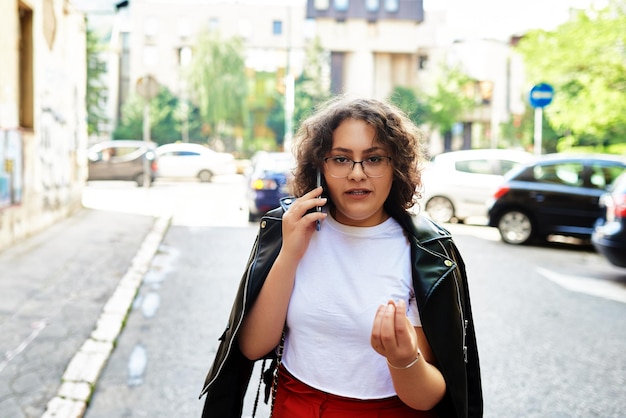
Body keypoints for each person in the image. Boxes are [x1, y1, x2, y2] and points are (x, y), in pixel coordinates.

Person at [199, 95, 483, 417]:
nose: (357, 174)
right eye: (341, 159)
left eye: (374, 159)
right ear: (320, 167)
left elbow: (428, 397)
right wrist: (290, 253)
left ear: (396, 167)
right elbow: (253, 346)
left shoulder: (424, 252)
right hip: (295, 406)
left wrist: (403, 360)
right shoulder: (293, 229)